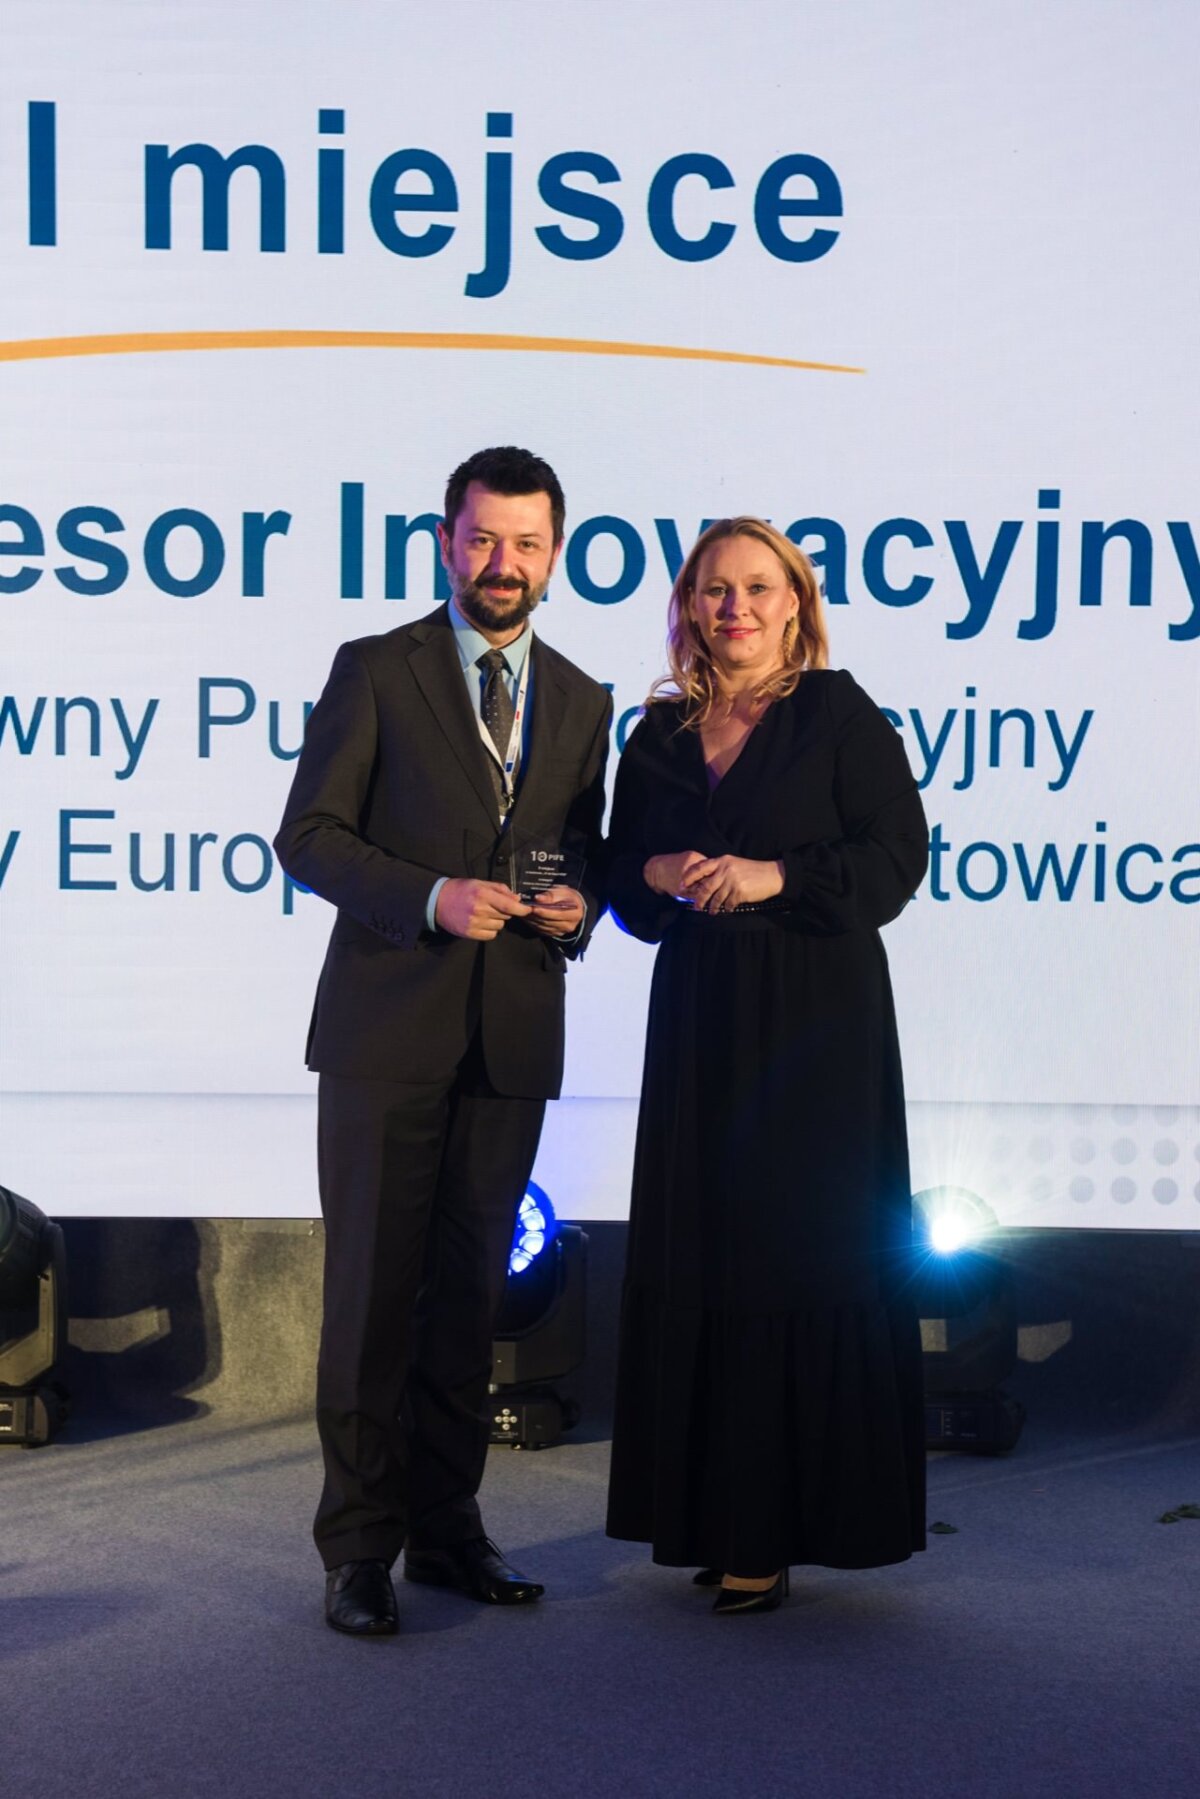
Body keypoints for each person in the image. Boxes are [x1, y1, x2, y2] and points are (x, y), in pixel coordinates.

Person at [275, 445, 611, 1636]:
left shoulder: (582, 697)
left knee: (470, 1298)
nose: (501, 562)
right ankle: (357, 1549)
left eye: (525, 543)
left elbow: (584, 852)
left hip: (511, 1037)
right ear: (444, 540)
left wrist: (580, 908)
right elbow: (308, 836)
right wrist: (429, 897)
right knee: (373, 1296)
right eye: (482, 538)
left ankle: (447, 1528)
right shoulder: (375, 670)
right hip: (384, 1031)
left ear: (555, 555)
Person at [603, 516, 929, 1613]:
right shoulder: (653, 734)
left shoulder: (837, 713)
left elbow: (895, 859)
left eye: (758, 587)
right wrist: (649, 863)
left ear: (796, 602)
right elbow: (623, 883)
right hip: (699, 1017)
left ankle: (777, 1526)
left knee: (794, 1254)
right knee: (705, 1251)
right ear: (689, 605)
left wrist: (772, 875)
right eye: (714, 589)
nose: (735, 607)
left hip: (815, 1025)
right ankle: (712, 1511)